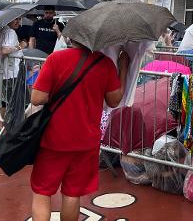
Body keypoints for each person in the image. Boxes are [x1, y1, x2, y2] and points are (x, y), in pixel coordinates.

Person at [30, 41, 129, 221]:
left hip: (53, 139)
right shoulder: (104, 63)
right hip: (86, 141)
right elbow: (114, 101)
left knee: (42, 192)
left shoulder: (55, 59)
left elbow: (37, 98)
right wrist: (123, 68)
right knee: (72, 194)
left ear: (71, 39)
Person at [0, 17, 23, 108]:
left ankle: (1, 121)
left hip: (1, 70)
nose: (17, 21)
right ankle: (7, 121)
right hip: (9, 72)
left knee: (1, 101)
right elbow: (4, 50)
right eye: (15, 19)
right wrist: (19, 47)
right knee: (9, 101)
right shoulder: (10, 32)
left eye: (19, 19)